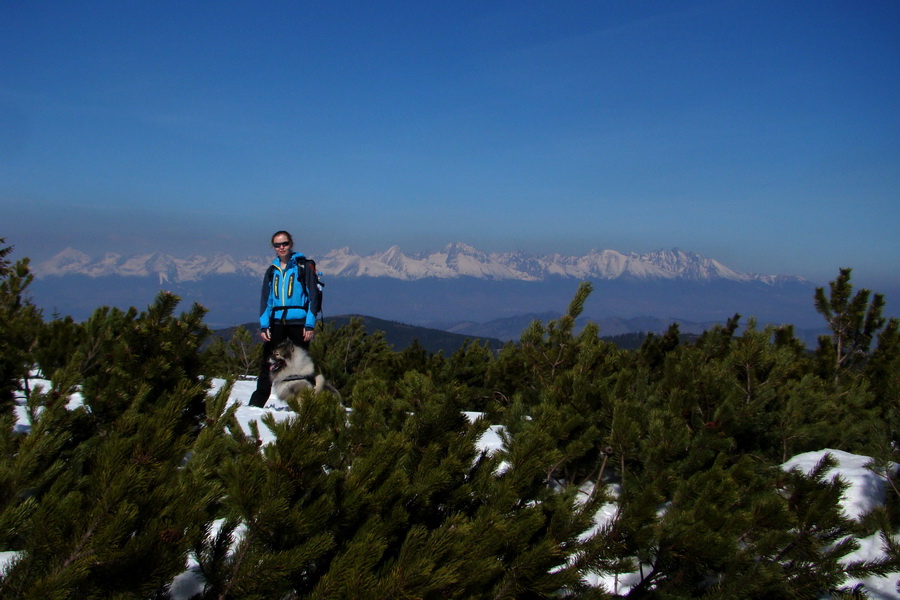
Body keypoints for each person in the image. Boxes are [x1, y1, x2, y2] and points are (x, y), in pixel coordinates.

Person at [248, 230, 319, 407]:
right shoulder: (272, 271)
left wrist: (309, 324)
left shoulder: (303, 267)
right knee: (268, 363)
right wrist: (265, 326)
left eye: (284, 243)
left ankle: (307, 404)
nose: (281, 247)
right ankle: (257, 402)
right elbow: (266, 300)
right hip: (276, 322)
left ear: (291, 244)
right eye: (277, 245)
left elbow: (313, 297)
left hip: (299, 322)